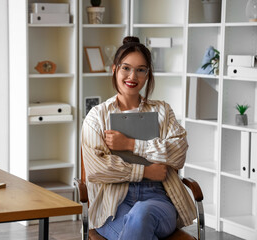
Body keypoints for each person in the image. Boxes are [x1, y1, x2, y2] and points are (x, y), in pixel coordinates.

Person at [81, 36, 197, 240]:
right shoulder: (97, 116)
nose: (132, 76)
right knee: (137, 226)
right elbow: (97, 169)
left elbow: (178, 153)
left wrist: (130, 144)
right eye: (126, 68)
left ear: (148, 74)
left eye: (141, 69)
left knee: (142, 214)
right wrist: (145, 171)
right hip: (113, 205)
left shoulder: (163, 111)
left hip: (158, 200)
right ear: (115, 69)